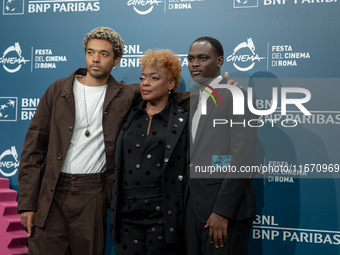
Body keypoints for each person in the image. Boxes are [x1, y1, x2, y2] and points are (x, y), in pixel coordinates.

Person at [17, 27, 142, 255]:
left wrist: (219, 92)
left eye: (104, 54)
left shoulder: (125, 95)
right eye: (90, 52)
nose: (95, 59)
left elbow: (168, 96)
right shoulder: (58, 89)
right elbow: (33, 149)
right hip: (52, 190)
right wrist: (27, 203)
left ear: (117, 60)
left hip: (92, 193)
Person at [110, 49, 188, 255]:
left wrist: (224, 92)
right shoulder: (127, 114)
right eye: (143, 77)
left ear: (170, 84)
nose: (145, 83)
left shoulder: (183, 120)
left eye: (154, 78)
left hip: (163, 217)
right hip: (126, 217)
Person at [186, 36, 257, 255]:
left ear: (220, 61)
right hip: (194, 211)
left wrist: (222, 212)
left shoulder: (235, 97)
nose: (194, 64)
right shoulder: (195, 101)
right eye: (190, 59)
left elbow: (242, 158)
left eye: (202, 58)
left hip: (224, 213)